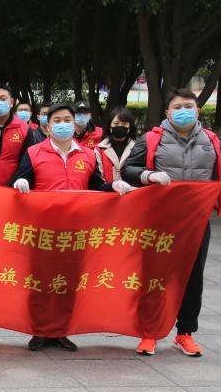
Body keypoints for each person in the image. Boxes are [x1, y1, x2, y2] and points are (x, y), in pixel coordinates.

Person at [122, 88, 221, 357]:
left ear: (198, 110)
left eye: (188, 106)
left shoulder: (211, 140)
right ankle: (149, 332)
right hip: (158, 221)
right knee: (154, 277)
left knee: (192, 277)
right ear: (167, 112)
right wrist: (149, 176)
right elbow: (128, 169)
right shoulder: (152, 139)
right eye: (177, 107)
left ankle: (185, 333)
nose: (183, 111)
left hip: (196, 222)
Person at [11, 103, 133, 353]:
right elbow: (19, 179)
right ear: (47, 127)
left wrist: (113, 186)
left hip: (77, 230)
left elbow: (96, 185)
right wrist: (20, 181)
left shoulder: (88, 155)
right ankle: (40, 330)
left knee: (69, 282)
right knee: (41, 282)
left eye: (67, 120)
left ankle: (61, 330)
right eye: (57, 121)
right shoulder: (34, 152)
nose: (63, 124)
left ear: (75, 125)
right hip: (43, 230)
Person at [95, 106, 138, 184]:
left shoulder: (137, 148)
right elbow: (99, 178)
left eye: (124, 124)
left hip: (132, 190)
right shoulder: (99, 149)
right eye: (116, 123)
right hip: (106, 190)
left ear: (130, 127)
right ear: (109, 126)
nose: (120, 126)